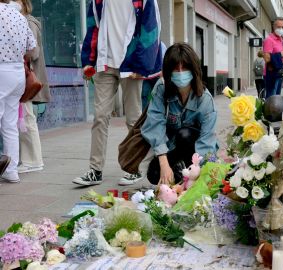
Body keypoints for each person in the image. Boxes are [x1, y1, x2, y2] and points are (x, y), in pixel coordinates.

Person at [73, 0, 162, 186]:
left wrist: (142, 64)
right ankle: (95, 170)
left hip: (131, 64)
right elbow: (93, 27)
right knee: (100, 116)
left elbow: (150, 29)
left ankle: (135, 168)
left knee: (133, 118)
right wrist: (88, 60)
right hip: (105, 62)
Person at [132, 43, 218, 186]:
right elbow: (154, 124)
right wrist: (164, 164)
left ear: (194, 69)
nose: (180, 72)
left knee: (184, 134)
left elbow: (207, 142)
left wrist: (200, 176)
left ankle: (188, 177)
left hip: (195, 152)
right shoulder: (161, 88)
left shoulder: (205, 100)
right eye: (175, 68)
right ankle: (179, 177)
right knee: (154, 174)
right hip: (172, 147)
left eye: (184, 67)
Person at [0, 0, 36, 183]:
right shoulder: (19, 16)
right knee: (10, 124)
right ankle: (11, 171)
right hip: (17, 73)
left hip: (1, 70)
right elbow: (31, 46)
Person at [15, 0, 50, 174]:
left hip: (26, 76)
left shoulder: (28, 22)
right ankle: (29, 159)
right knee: (25, 118)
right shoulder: (23, 20)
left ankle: (33, 160)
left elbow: (33, 52)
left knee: (27, 118)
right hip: (22, 75)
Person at [263, 17, 283, 99]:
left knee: (277, 99)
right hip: (271, 73)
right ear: (274, 27)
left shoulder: (281, 40)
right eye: (279, 27)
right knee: (271, 99)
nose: (281, 29)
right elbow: (266, 58)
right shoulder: (269, 40)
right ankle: (268, 112)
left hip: (279, 73)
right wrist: (280, 54)